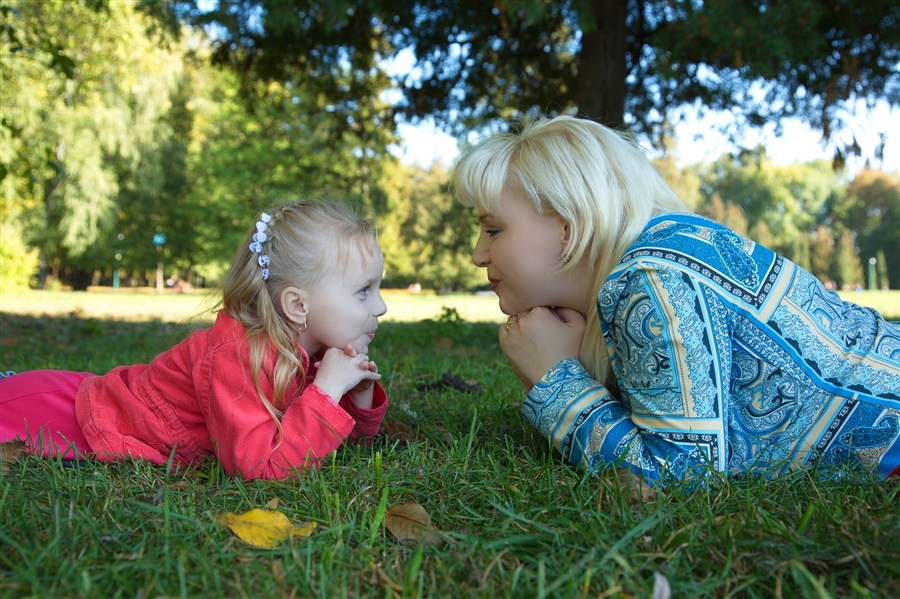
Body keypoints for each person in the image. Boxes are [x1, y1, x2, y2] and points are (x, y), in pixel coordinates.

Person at [452, 115, 900, 484]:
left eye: (493, 229)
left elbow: (683, 479)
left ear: (568, 227)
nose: (478, 254)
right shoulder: (662, 254)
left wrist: (556, 381)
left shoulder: (652, 278)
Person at [0, 199, 389, 480]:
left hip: (100, 403)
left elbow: (331, 447)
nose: (382, 306)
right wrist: (325, 393)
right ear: (298, 306)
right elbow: (260, 468)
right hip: (77, 416)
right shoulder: (240, 353)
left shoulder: (315, 352)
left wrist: (355, 397)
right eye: (364, 290)